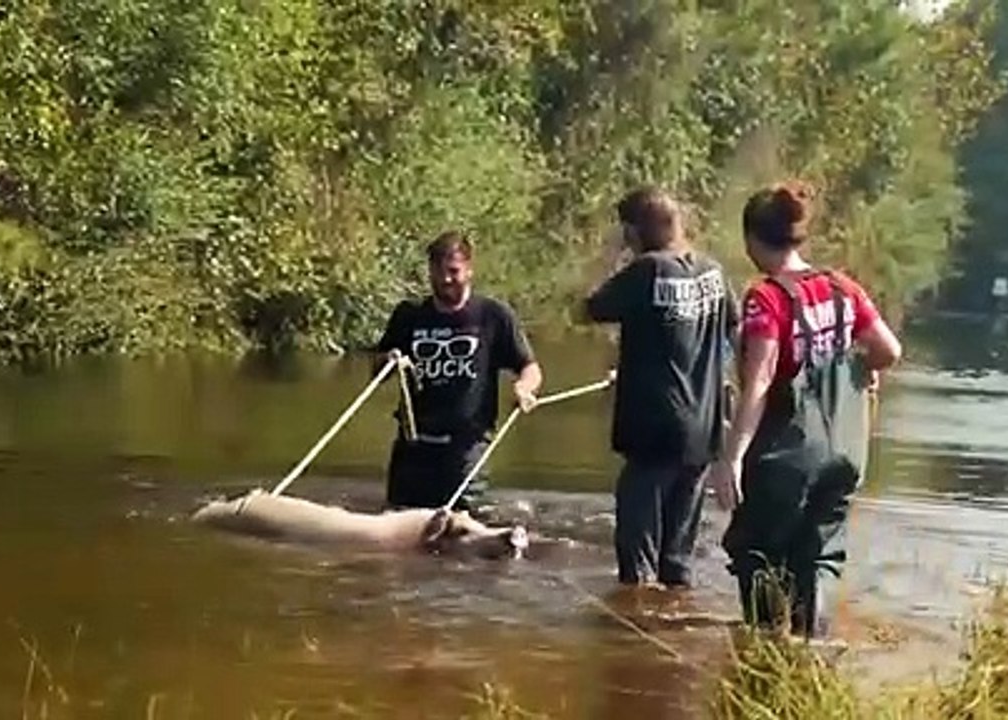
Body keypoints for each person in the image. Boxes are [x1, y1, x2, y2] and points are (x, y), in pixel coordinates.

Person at [705, 180, 902, 637]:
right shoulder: (843, 289)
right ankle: (809, 656)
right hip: (845, 452)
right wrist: (864, 368)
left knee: (758, 554)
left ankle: (761, 660)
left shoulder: (766, 298)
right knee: (819, 555)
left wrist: (731, 457)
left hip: (786, 454)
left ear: (752, 239)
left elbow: (759, 382)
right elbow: (887, 350)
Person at [577, 187, 739, 589]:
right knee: (677, 558)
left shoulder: (645, 270)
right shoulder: (713, 272)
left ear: (633, 230)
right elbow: (736, 330)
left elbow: (587, 309)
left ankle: (635, 636)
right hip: (703, 431)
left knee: (638, 563)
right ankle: (673, 626)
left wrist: (611, 258)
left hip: (654, 429)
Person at [373, 231, 543, 516]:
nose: (445, 279)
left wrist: (524, 389)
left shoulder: (493, 316)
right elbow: (377, 371)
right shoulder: (409, 315)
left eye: (453, 271)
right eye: (437, 272)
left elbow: (530, 368)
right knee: (399, 522)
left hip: (466, 447)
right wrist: (388, 361)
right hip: (413, 445)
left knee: (460, 528)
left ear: (469, 269)